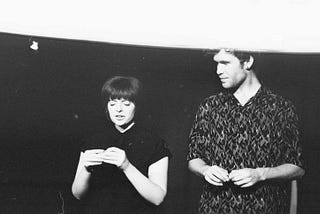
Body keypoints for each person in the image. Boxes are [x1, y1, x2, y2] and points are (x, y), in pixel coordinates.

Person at [187, 48, 305, 214]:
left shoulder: (281, 108)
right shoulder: (210, 106)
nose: (218, 70)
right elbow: (194, 159)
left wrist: (260, 174)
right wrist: (205, 169)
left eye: (225, 63)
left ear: (248, 62)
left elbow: (297, 168)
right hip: (214, 208)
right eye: (216, 63)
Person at [72, 76, 171, 214]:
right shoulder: (93, 140)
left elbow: (158, 198)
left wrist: (126, 166)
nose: (118, 110)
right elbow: (77, 194)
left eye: (126, 104)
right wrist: (86, 170)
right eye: (112, 104)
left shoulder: (154, 142)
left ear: (137, 105)